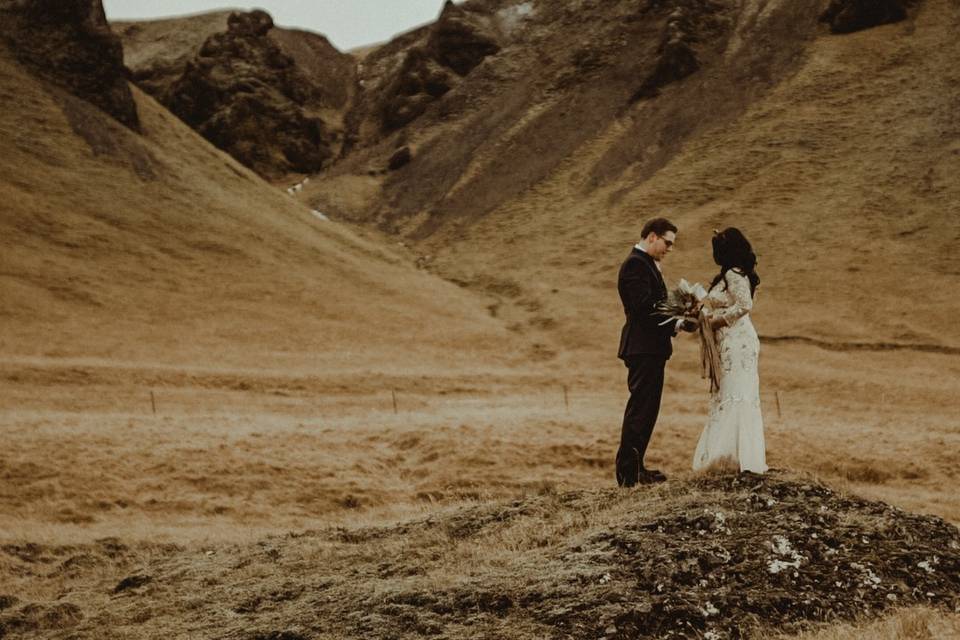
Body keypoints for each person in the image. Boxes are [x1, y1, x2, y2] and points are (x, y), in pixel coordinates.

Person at [615, 217, 695, 487]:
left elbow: (654, 305)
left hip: (649, 348)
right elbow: (644, 309)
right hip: (643, 347)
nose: (669, 249)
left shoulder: (646, 265)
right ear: (652, 236)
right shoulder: (636, 266)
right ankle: (628, 473)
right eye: (667, 243)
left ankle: (637, 467)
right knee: (641, 410)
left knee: (647, 411)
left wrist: (681, 305)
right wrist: (679, 322)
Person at [693, 227, 768, 473]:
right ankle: (725, 455)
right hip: (726, 341)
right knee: (725, 392)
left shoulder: (734, 274)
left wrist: (717, 321)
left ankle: (736, 457)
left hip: (737, 342)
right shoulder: (728, 274)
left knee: (736, 393)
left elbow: (745, 304)